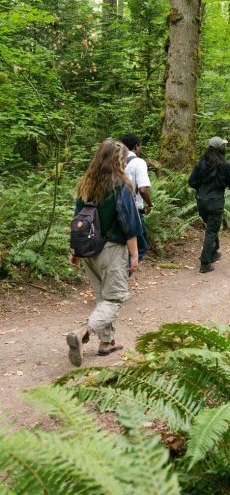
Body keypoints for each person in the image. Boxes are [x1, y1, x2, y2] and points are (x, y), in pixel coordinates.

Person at [67, 139, 141, 366]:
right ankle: (82, 333)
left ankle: (106, 343)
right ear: (118, 160)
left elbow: (77, 219)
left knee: (103, 297)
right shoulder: (120, 185)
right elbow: (129, 223)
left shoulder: (86, 184)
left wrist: (75, 250)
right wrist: (135, 254)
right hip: (111, 249)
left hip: (88, 250)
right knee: (115, 298)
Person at [188, 137, 230, 273]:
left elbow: (191, 181)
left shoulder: (201, 163)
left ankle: (214, 252)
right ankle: (205, 262)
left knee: (211, 228)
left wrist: (201, 188)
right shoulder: (225, 166)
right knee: (212, 230)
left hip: (201, 201)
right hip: (215, 202)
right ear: (220, 148)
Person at [121, 133, 153, 262]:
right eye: (140, 147)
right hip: (133, 210)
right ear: (136, 146)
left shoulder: (114, 160)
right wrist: (150, 204)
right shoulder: (139, 162)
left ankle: (115, 277)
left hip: (115, 208)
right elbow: (143, 189)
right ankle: (121, 278)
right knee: (140, 248)